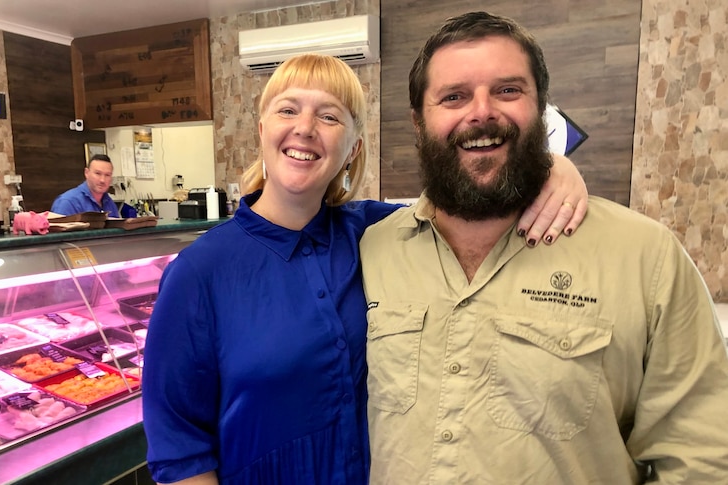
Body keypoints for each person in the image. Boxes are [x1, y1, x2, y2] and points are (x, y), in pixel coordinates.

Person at [141, 53, 588, 485]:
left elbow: (468, 195)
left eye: (329, 116)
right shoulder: (198, 273)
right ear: (262, 130)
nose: (305, 128)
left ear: (353, 147)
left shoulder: (374, 230)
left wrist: (555, 168)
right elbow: (179, 450)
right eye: (288, 109)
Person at [359, 11, 728, 485]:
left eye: (508, 91)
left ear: (542, 109)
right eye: (454, 96)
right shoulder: (373, 248)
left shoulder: (644, 258)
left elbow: (702, 460)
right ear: (417, 121)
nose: (482, 112)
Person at [50, 153, 119, 217]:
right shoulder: (67, 202)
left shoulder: (109, 203)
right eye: (98, 173)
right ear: (86, 173)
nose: (102, 180)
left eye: (107, 175)